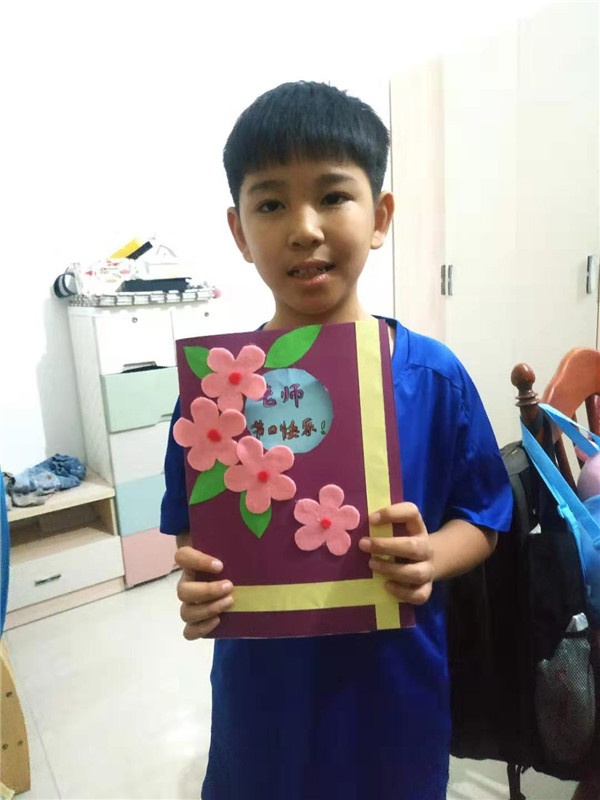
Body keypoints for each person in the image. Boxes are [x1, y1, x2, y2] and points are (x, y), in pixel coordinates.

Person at [160, 80, 513, 800]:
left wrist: (431, 557)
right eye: (270, 204)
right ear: (238, 232)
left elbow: (485, 517)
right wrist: (198, 583)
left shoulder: (432, 376)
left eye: (331, 196)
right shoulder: (216, 395)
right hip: (263, 701)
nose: (304, 228)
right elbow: (197, 527)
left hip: (394, 695)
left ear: (379, 216)